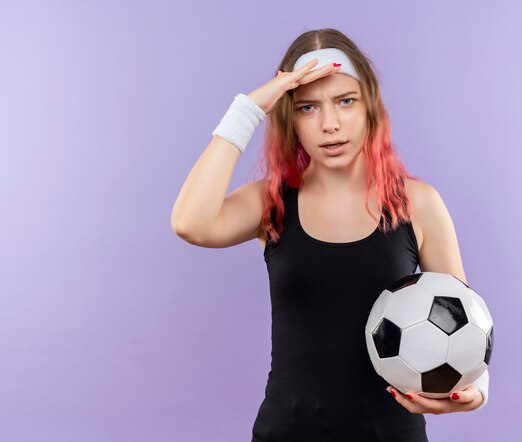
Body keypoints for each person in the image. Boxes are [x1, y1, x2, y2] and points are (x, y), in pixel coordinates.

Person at [171, 28, 489, 442]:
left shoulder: (417, 203)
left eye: (345, 101)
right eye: (307, 107)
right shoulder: (270, 202)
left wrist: (475, 392)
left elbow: (461, 322)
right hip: (287, 431)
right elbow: (189, 223)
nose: (330, 124)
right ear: (290, 118)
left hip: (390, 433)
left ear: (370, 105)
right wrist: (250, 108)